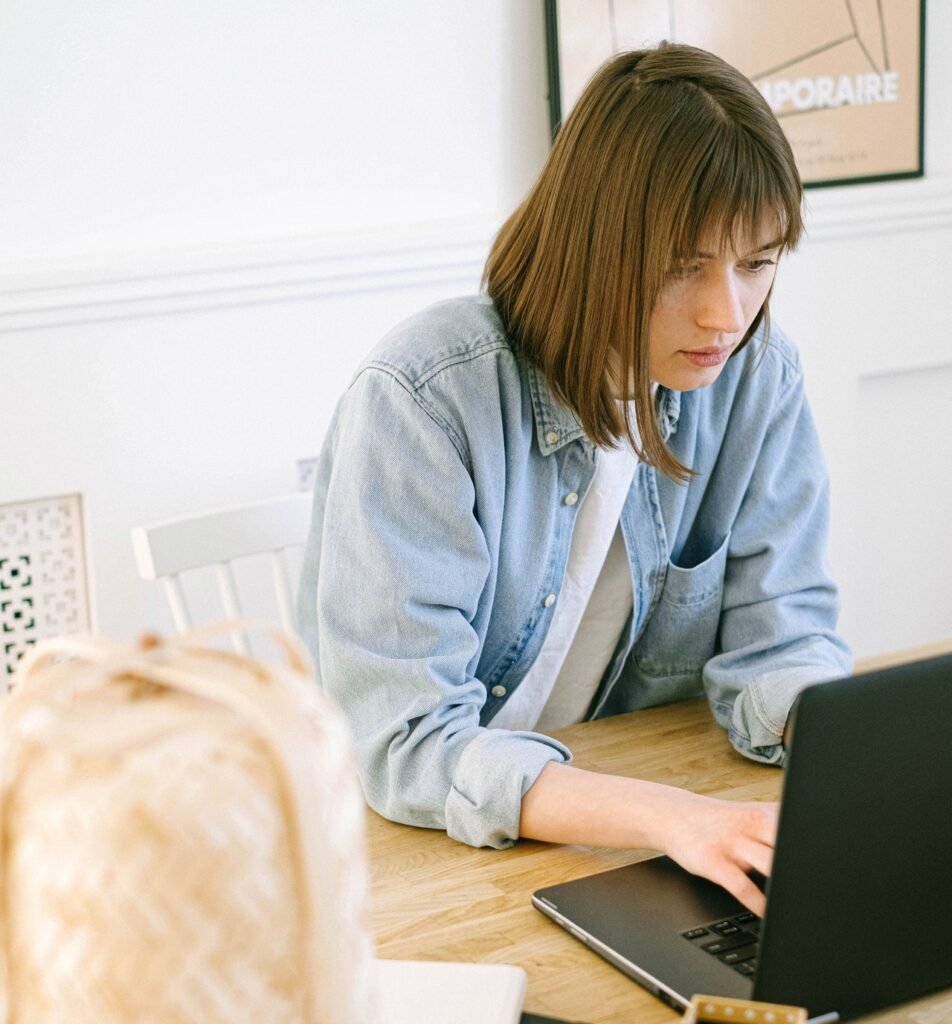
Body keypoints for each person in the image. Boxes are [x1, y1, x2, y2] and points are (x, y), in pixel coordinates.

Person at [297, 42, 852, 916]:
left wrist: (847, 742)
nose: (727, 314)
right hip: (410, 858)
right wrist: (674, 819)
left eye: (758, 262)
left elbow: (780, 643)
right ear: (592, 241)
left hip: (606, 840)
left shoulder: (758, 380)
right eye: (684, 265)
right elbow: (408, 742)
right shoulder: (425, 399)